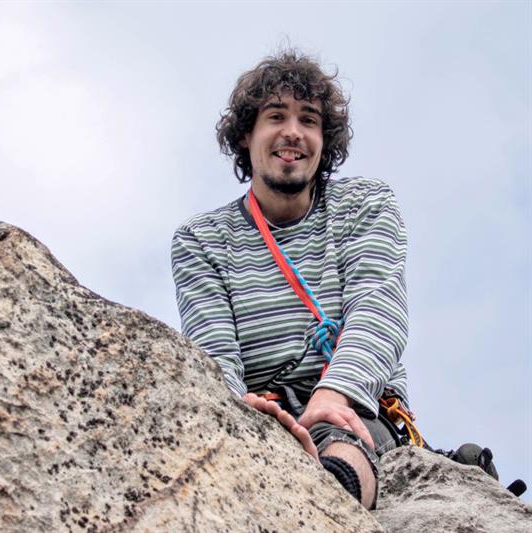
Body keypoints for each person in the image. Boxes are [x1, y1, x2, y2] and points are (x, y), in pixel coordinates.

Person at [171, 49, 412, 509]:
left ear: (324, 139)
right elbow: (213, 355)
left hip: (351, 404)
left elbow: (378, 310)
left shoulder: (366, 204)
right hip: (260, 408)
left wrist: (333, 395)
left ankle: (334, 506)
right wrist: (240, 412)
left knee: (339, 440)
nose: (293, 132)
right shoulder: (201, 240)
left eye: (309, 119)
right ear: (246, 134)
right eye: (276, 116)